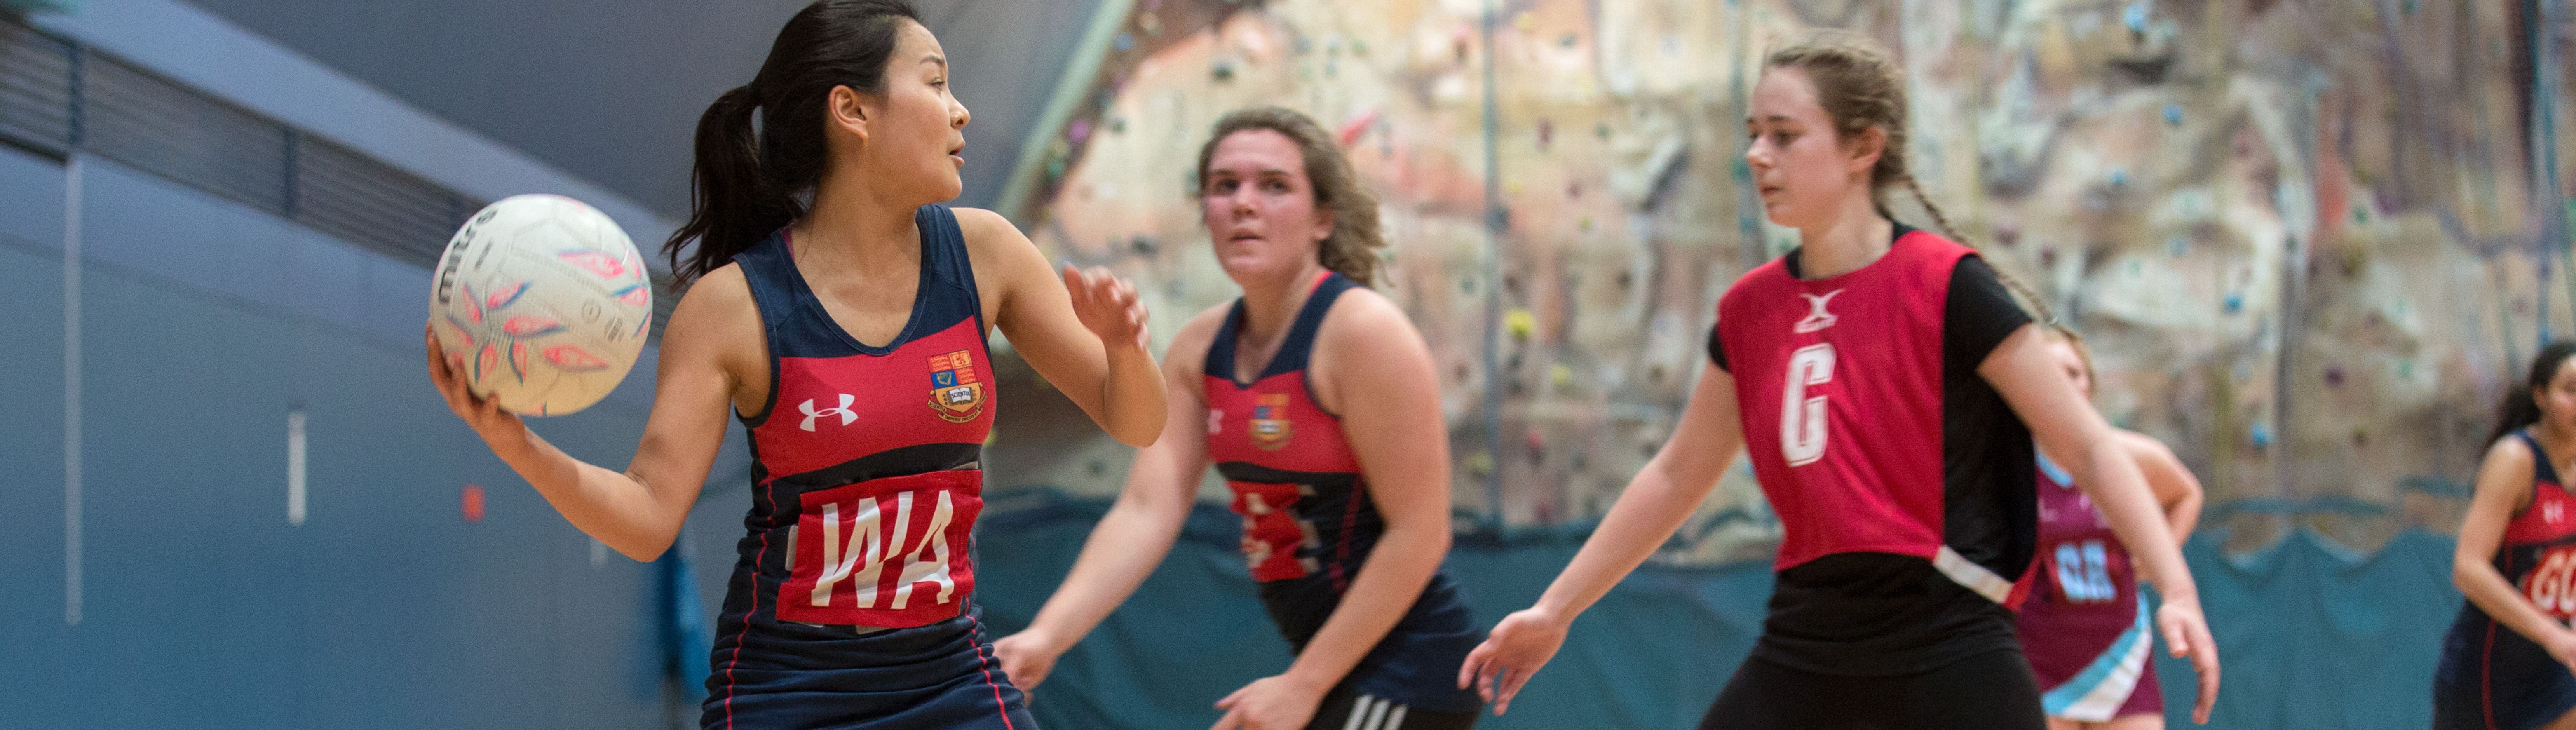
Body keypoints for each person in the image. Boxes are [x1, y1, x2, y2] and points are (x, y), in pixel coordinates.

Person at [424, 2, 1168, 727]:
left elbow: (1136, 422)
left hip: (953, 674)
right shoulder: (733, 308)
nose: (961, 110)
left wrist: (1125, 350)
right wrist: (516, 443)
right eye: (936, 82)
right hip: (790, 692)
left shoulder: (986, 253)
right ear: (853, 111)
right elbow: (649, 517)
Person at [1452, 33, 2219, 729]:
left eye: (1785, 137)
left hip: (1947, 640)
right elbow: (1677, 474)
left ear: (1864, 148)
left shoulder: (1948, 285)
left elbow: (2086, 445)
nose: (1758, 155)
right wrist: (1556, 610)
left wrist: (2178, 590)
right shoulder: (1750, 311)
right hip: (1809, 639)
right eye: (1753, 135)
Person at [990, 107, 1483, 730]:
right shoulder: (1200, 349)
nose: (1244, 203)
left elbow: (1420, 533)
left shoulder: (1362, 331)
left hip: (1409, 673)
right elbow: (1146, 508)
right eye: (1225, 186)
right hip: (1330, 670)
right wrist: (1046, 636)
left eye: (1274, 185)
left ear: (1322, 218)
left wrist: (1302, 685)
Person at [2020, 326, 2205, 729]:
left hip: (2119, 652)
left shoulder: (2126, 457)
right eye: (2051, 375)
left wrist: (2156, 562)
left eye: (2074, 373)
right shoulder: (2013, 462)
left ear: (2090, 383)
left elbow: (2187, 493)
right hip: (2038, 654)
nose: (2065, 385)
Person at [2434, 341, 2576, 730]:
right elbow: (2467, 568)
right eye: (2571, 390)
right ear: (2540, 395)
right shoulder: (2516, 460)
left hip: (2554, 674)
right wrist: (2550, 632)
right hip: (2487, 673)